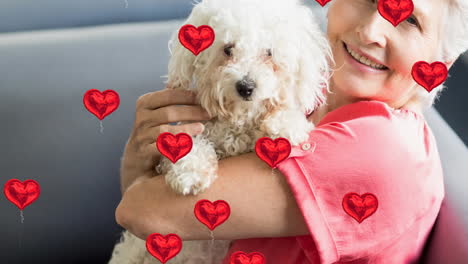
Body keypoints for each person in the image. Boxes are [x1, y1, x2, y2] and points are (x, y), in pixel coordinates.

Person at [115, 0, 468, 263]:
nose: (371, 31)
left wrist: (139, 172)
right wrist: (141, 155)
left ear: (441, 62)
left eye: (409, 20)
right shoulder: (304, 103)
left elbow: (141, 210)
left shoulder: (381, 150)